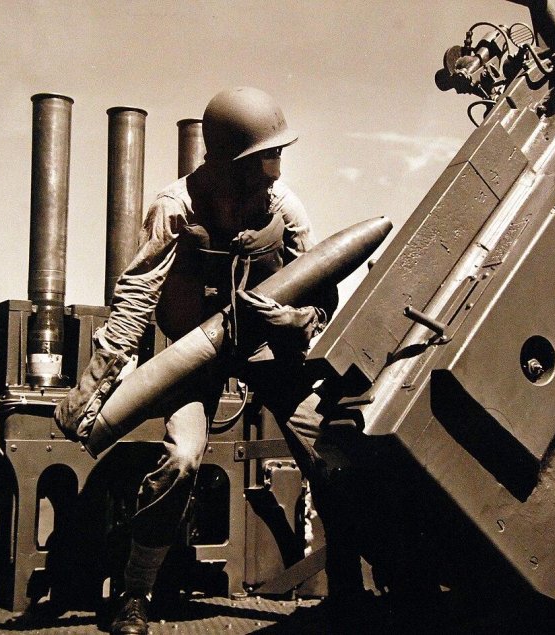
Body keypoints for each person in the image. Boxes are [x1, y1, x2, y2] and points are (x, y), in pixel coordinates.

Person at [54, 86, 364, 635]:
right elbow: (137, 297)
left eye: (277, 154)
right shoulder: (175, 207)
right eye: (266, 157)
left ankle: (348, 592)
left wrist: (296, 322)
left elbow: (323, 290)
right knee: (182, 457)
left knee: (325, 450)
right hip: (192, 353)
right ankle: (135, 593)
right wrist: (91, 387)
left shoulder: (284, 207)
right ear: (230, 161)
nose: (275, 169)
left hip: (266, 348)